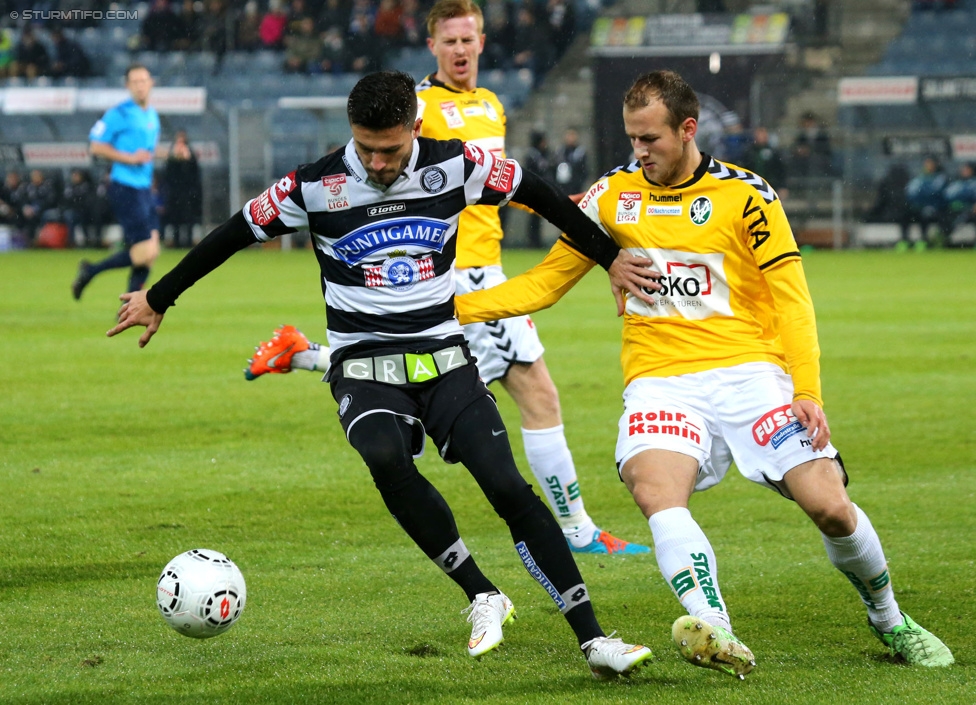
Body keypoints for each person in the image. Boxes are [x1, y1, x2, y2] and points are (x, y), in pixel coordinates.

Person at [107, 69, 656, 678]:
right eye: (365, 147)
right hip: (363, 363)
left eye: (390, 149)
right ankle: (482, 593)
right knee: (384, 454)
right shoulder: (313, 184)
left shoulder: (459, 165)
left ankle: (594, 639)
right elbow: (233, 234)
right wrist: (160, 296)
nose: (377, 161)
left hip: (443, 355)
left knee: (504, 484)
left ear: (415, 128)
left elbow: (542, 195)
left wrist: (608, 256)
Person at [454, 69, 955, 676]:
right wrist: (446, 308)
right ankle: (714, 628)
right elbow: (543, 283)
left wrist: (806, 390)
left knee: (830, 507)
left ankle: (889, 618)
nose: (638, 153)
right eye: (631, 139)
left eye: (650, 140)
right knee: (655, 491)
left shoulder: (747, 195)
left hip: (752, 374)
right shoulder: (611, 196)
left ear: (688, 129)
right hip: (661, 378)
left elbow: (793, 300)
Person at [246, 0, 651, 556]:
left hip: (487, 265)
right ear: (432, 47)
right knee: (538, 394)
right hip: (452, 273)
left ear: (482, 42)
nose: (460, 50)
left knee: (437, 375)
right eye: (449, 42)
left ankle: (306, 353)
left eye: (468, 40)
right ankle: (577, 529)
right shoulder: (420, 108)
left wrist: (563, 206)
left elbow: (497, 188)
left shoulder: (490, 105)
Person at [72, 65, 161, 301]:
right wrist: (129, 158)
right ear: (128, 86)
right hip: (125, 187)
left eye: (144, 80)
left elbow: (148, 154)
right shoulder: (119, 113)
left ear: (151, 83)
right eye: (135, 81)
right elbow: (96, 145)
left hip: (143, 189)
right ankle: (91, 271)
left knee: (151, 252)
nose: (140, 85)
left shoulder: (151, 114)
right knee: (144, 252)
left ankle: (129, 306)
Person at [163, 130, 202, 248]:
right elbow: (168, 176)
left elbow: (194, 175)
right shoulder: (171, 158)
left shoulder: (191, 157)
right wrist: (174, 159)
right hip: (174, 194)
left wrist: (187, 160)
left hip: (188, 194)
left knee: (189, 219)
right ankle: (176, 242)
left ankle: (189, 242)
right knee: (175, 219)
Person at [899, 155, 947, 252]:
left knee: (925, 214)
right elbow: (910, 192)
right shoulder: (919, 177)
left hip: (934, 206)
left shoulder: (940, 177)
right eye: (926, 163)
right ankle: (904, 240)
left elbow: (934, 192)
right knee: (904, 214)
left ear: (935, 165)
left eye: (930, 163)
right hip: (918, 205)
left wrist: (922, 194)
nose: (928, 165)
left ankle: (924, 240)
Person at [523, 130, 555, 249]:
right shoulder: (532, 154)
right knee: (533, 217)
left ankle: (536, 240)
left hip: (539, 189)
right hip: (533, 190)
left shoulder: (543, 153)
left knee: (537, 217)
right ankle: (533, 241)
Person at [740, 126, 787, 196]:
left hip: (770, 185)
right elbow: (743, 169)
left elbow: (781, 170)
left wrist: (783, 186)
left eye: (762, 135)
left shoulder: (774, 152)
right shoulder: (748, 152)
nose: (760, 137)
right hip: (752, 186)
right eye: (758, 135)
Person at [939, 161, 976, 247]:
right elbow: (947, 196)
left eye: (967, 169)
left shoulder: (974, 183)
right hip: (953, 210)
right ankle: (944, 240)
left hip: (969, 210)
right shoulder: (956, 183)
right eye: (963, 169)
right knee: (940, 214)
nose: (964, 171)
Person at [554, 127, 588, 197]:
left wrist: (577, 182)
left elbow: (584, 171)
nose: (570, 138)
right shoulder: (560, 152)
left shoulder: (580, 152)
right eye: (569, 135)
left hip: (576, 188)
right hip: (562, 188)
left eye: (573, 135)